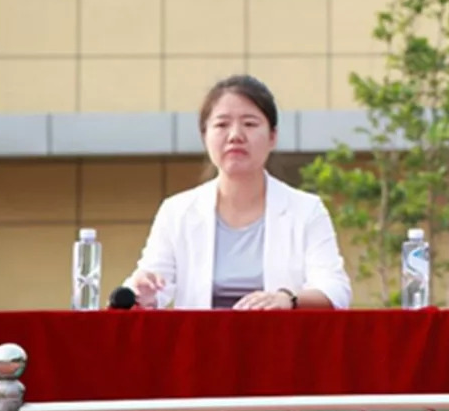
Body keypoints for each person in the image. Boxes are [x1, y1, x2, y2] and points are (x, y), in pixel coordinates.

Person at [124, 75, 352, 311]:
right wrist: (143, 292)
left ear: (273, 137)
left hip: (279, 343)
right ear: (205, 136)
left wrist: (288, 299)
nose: (235, 136)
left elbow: (335, 289)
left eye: (250, 124)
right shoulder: (177, 211)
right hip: (200, 344)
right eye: (222, 125)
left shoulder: (306, 209)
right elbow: (148, 286)